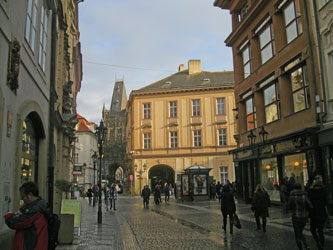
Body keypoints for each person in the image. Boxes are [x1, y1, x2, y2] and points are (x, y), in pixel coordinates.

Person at [5, 181, 50, 250]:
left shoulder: (35, 211)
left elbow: (16, 222)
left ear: (30, 195)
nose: (23, 200)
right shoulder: (39, 207)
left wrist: (9, 216)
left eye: (23, 197)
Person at [288, 183, 313, 250]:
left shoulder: (292, 196)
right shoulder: (304, 195)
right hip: (304, 217)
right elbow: (310, 205)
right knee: (300, 232)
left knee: (297, 234)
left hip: (296, 217)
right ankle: (306, 246)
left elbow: (289, 206)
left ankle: (301, 248)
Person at [308, 175, 328, 250]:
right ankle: (321, 244)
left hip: (313, 213)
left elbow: (308, 202)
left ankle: (317, 241)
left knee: (313, 229)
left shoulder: (310, 191)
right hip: (321, 212)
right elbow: (325, 202)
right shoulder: (323, 190)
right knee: (320, 230)